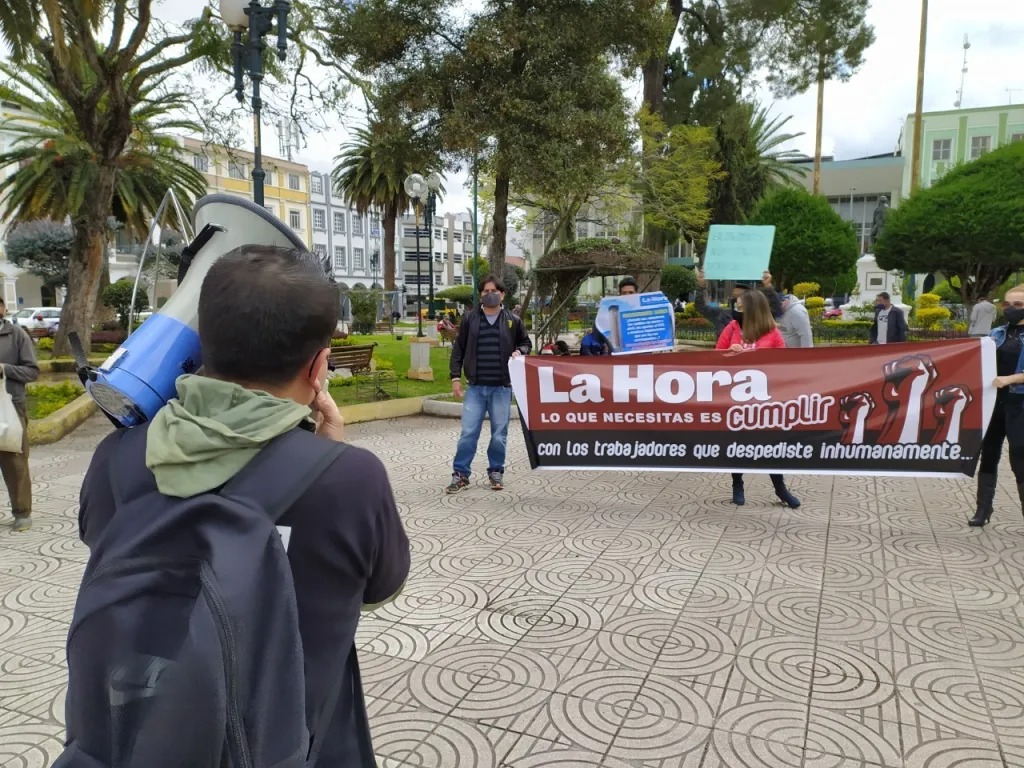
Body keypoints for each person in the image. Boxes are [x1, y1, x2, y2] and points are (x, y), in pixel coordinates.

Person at [76, 246, 410, 765]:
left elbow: (108, 549)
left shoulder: (116, 459)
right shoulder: (350, 478)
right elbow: (380, 589)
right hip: (297, 746)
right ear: (319, 365)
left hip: (138, 735)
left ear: (201, 342)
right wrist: (328, 455)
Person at [715, 290, 800, 509]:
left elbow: (783, 364)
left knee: (769, 445)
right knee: (737, 444)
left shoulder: (772, 333)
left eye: (741, 306)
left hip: (764, 401)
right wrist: (729, 353)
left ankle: (780, 487)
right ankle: (737, 484)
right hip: (736, 399)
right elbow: (715, 356)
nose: (736, 310)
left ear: (753, 310)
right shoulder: (732, 328)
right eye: (737, 306)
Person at [448, 275, 531, 492]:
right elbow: (458, 349)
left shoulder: (513, 320)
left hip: (502, 388)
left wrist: (519, 351)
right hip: (475, 387)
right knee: (468, 432)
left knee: (499, 433)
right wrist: (455, 377)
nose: (490, 294)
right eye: (485, 291)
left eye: (494, 290)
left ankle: (496, 471)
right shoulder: (469, 319)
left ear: (502, 294)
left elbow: (525, 343)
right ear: (480, 294)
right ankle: (460, 474)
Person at [971, 286, 1024, 526]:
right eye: (1007, 304)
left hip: (1019, 405)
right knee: (989, 454)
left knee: (1019, 457)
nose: (1010, 309)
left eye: (1018, 305)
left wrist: (1010, 379)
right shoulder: (996, 333)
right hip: (994, 404)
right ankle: (983, 509)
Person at [0, 297, 39, 532]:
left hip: (11, 406)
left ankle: (22, 513)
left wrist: (4, 369)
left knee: (15, 462)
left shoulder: (16, 335)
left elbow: (32, 371)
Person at [696, 269, 783, 336]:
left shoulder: (757, 316)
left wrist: (768, 286)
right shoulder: (722, 314)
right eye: (735, 296)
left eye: (741, 296)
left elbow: (776, 310)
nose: (737, 299)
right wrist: (701, 286)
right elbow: (701, 307)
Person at [587, 277, 638, 354]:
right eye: (624, 293)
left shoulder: (645, 312)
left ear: (637, 294)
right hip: (618, 359)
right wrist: (601, 315)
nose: (627, 295)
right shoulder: (610, 313)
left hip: (642, 358)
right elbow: (597, 335)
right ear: (619, 294)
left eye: (631, 292)